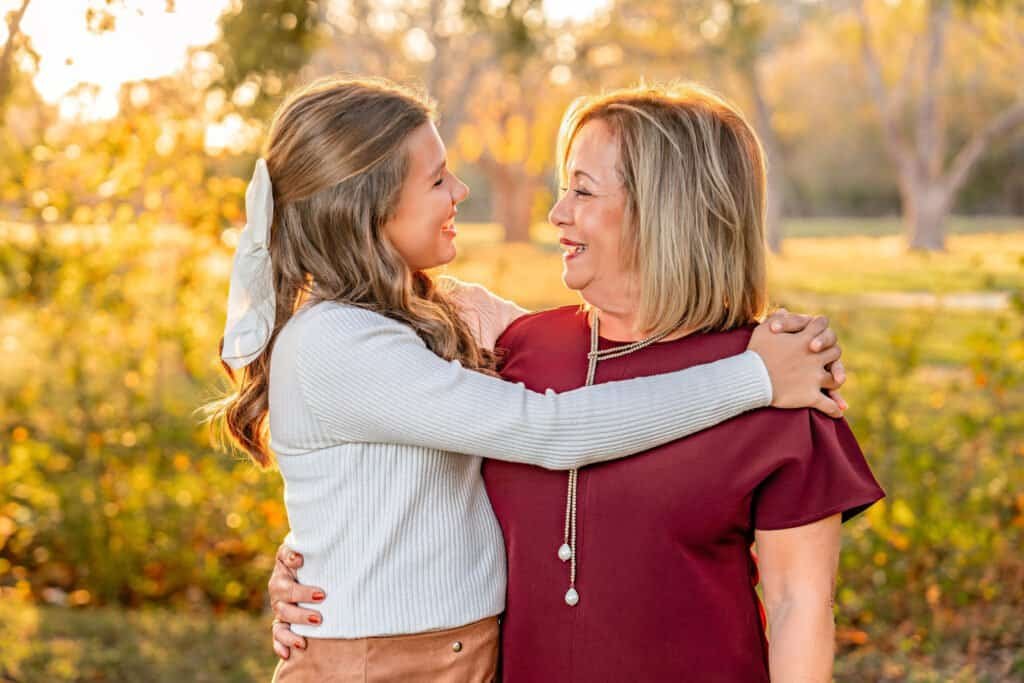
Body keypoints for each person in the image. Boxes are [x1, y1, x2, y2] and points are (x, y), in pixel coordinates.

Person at [223, 77, 848, 682]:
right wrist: (319, 558)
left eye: (583, 190)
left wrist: (781, 356)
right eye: (438, 179)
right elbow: (540, 428)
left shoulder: (463, 323)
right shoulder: (443, 345)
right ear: (365, 206)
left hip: (465, 656)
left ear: (665, 210)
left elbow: (800, 605)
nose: (553, 213)